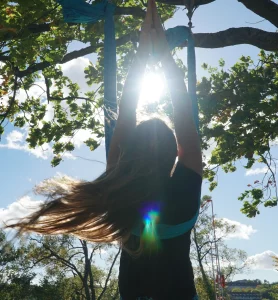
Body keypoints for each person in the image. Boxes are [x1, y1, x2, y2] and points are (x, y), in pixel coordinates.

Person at [7, 0, 202, 299]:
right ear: (176, 152)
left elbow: (131, 115)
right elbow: (130, 116)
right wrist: (155, 53)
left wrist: (151, 54)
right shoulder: (157, 193)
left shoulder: (120, 198)